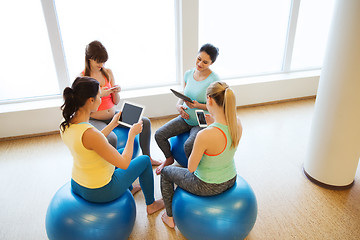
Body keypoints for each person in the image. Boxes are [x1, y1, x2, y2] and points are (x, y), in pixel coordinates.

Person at [60, 77, 164, 214]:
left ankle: (130, 188)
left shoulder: (66, 123)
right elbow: (124, 163)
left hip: (78, 183)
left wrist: (113, 124)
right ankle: (151, 205)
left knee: (120, 150)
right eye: (99, 95)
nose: (101, 98)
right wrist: (132, 134)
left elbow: (90, 143)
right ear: (91, 100)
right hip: (99, 190)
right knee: (144, 160)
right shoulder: (91, 133)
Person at [160, 81, 242, 228]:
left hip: (207, 185)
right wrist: (213, 124)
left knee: (166, 172)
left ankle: (169, 217)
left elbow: (191, 168)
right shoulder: (237, 123)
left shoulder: (205, 135)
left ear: (209, 100)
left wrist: (197, 149)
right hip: (231, 178)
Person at [80, 40, 162, 166]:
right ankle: (115, 171)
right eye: (98, 61)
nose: (101, 64)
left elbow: (116, 101)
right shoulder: (83, 78)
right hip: (95, 119)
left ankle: (147, 158)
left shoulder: (108, 72)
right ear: (89, 59)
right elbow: (84, 106)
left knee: (145, 122)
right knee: (112, 138)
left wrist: (116, 92)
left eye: (103, 61)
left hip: (113, 115)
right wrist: (100, 94)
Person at [155, 43, 220, 175]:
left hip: (201, 120)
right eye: (199, 59)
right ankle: (169, 158)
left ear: (211, 63)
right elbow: (184, 95)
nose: (200, 63)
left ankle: (193, 171)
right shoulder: (189, 74)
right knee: (159, 134)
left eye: (205, 62)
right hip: (185, 117)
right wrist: (178, 106)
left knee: (188, 145)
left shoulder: (214, 80)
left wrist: (198, 106)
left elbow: (216, 107)